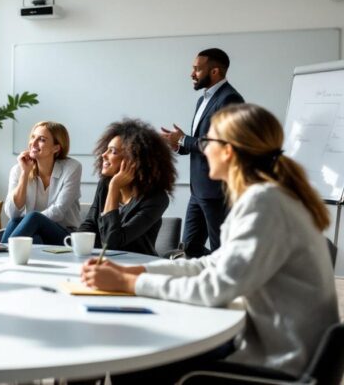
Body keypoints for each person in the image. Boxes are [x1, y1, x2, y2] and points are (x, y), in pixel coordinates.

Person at [82, 103, 339, 383]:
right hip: (274, 348)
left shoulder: (265, 203)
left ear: (227, 151)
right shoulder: (265, 197)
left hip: (278, 364)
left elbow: (215, 289)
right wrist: (138, 272)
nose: (202, 148)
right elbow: (211, 264)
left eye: (206, 140)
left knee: (136, 358)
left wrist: (129, 284)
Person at [161, 48, 244, 257]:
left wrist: (182, 139)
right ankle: (206, 279)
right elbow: (200, 144)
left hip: (216, 191)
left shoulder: (230, 99)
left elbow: (221, 146)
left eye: (197, 69)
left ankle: (227, 284)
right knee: (190, 247)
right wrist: (178, 144)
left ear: (215, 71)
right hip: (198, 190)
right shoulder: (202, 100)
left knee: (221, 249)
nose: (192, 74)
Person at [77, 119, 176, 255]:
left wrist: (114, 188)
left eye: (113, 151)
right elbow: (89, 224)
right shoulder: (104, 184)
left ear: (133, 160)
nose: (103, 155)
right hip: (102, 261)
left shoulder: (156, 198)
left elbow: (112, 242)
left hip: (136, 266)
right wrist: (79, 246)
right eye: (106, 149)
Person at [1, 121, 82, 244]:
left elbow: (58, 212)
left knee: (33, 217)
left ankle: (0, 256)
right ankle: (3, 257)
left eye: (42, 140)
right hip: (34, 233)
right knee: (15, 221)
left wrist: (30, 220)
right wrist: (25, 174)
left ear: (56, 147)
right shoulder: (18, 169)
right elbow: (12, 213)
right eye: (33, 137)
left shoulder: (72, 168)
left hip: (65, 236)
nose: (33, 143)